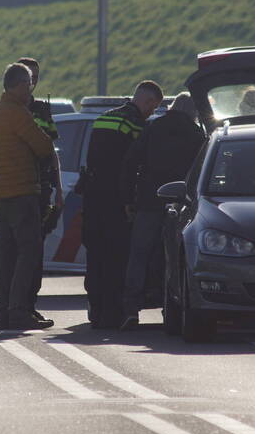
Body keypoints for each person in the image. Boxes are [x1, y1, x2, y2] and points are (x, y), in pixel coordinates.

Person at [80, 80, 163, 329]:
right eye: (153, 107)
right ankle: (112, 313)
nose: (151, 112)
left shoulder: (103, 118)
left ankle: (95, 310)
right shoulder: (136, 125)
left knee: (95, 256)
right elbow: (135, 165)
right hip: (116, 200)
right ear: (147, 101)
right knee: (117, 257)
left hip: (93, 198)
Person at [119, 92, 205, 329]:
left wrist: (128, 198)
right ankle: (170, 310)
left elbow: (130, 162)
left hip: (148, 203)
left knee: (138, 255)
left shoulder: (152, 128)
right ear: (193, 112)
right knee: (173, 259)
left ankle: (130, 309)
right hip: (180, 206)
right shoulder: (197, 134)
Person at [0, 63, 57, 330]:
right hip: (22, 191)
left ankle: (4, 313)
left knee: (7, 255)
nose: (31, 90)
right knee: (29, 252)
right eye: (28, 84)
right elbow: (42, 146)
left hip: (2, 193)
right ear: (17, 86)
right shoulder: (18, 114)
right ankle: (19, 311)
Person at [15, 57, 64, 318]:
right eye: (27, 78)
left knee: (35, 251)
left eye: (35, 78)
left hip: (41, 189)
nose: (31, 83)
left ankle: (29, 305)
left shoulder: (42, 110)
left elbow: (52, 152)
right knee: (18, 251)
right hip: (17, 186)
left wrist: (59, 188)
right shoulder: (10, 108)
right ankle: (15, 306)